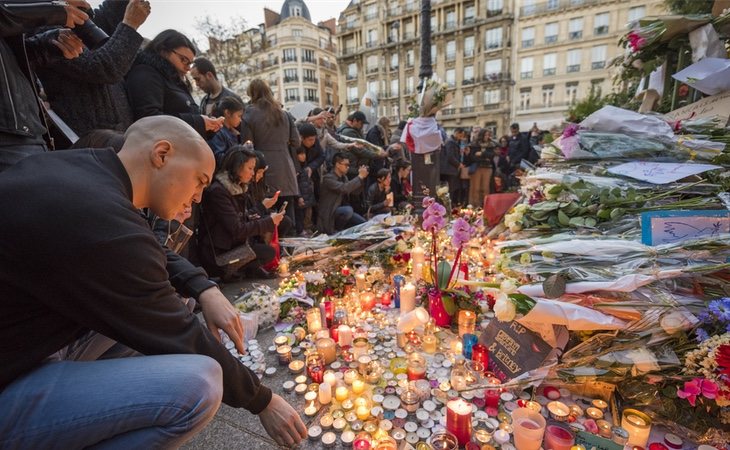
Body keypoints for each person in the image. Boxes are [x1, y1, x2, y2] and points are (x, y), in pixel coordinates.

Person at [0, 116, 306, 448]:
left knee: (173, 306)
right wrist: (262, 401)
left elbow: (148, 252)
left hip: (29, 343)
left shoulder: (78, 174)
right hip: (13, 380)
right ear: (161, 154)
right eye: (199, 181)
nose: (199, 198)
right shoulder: (103, 219)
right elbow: (178, 331)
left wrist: (204, 287)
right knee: (200, 384)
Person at [36, 0, 150, 138]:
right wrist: (131, 24)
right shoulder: (44, 26)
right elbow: (104, 68)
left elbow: (111, 16)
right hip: (87, 140)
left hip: (114, 135)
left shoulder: (83, 21)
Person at [0, 0, 89, 170]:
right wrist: (52, 10)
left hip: (29, 130)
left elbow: (11, 58)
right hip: (8, 137)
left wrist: (50, 44)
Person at [198, 146, 284, 281]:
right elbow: (237, 229)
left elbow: (242, 217)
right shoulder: (218, 191)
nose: (252, 173)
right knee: (267, 252)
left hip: (234, 243)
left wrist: (262, 207)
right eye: (250, 168)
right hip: (220, 252)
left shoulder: (238, 187)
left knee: (266, 248)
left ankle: (241, 272)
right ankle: (232, 272)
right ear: (237, 167)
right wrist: (269, 222)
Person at [126, 29, 223, 137]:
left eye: (190, 64)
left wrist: (208, 125)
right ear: (163, 50)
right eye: (183, 60)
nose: (187, 68)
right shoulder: (146, 73)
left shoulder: (176, 81)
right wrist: (199, 122)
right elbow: (149, 119)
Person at [242, 79, 300, 229]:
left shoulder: (249, 113)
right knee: (287, 216)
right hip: (285, 168)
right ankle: (290, 250)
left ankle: (273, 251)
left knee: (266, 217)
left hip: (262, 168)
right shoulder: (284, 113)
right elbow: (296, 142)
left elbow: (247, 145)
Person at [317, 152, 368, 235]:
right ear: (337, 164)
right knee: (348, 210)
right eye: (346, 165)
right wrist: (359, 177)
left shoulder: (344, 178)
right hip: (330, 214)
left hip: (342, 212)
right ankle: (337, 231)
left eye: (349, 165)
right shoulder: (328, 178)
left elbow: (354, 192)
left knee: (364, 224)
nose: (348, 167)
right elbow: (344, 188)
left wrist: (362, 179)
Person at [207, 96, 243, 167]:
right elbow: (219, 159)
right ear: (227, 113)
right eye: (239, 116)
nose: (240, 120)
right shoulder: (217, 131)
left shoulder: (232, 132)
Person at [468, 128, 496, 206]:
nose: (487, 136)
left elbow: (491, 156)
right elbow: (472, 157)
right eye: (485, 135)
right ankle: (475, 205)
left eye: (488, 135)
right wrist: (484, 157)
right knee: (476, 188)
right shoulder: (474, 144)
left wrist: (482, 153)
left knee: (485, 188)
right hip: (477, 167)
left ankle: (485, 205)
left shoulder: (491, 144)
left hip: (488, 168)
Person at [294, 147, 316, 236]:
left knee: (306, 215)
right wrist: (299, 196)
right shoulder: (296, 168)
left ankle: (305, 229)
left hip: (307, 195)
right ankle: (300, 231)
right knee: (299, 215)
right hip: (301, 196)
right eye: (300, 154)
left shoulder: (304, 167)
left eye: (304, 154)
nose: (303, 156)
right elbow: (295, 184)